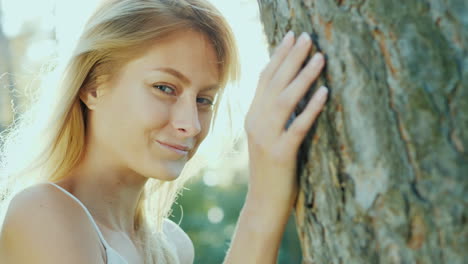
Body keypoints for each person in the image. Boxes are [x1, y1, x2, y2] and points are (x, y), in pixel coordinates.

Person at [0, 0, 327, 263]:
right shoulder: (43, 214)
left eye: (203, 99)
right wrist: (265, 199)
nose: (192, 124)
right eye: (164, 88)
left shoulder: (172, 247)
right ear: (93, 87)